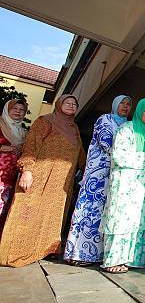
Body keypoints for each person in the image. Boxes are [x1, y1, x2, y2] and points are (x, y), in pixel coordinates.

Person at [0, 95, 85, 267]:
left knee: (53, 215)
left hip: (62, 181)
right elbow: (31, 146)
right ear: (59, 104)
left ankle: (46, 249)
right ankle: (15, 252)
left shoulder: (74, 128)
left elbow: (80, 152)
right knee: (29, 210)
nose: (71, 105)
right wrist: (27, 170)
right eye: (67, 102)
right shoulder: (45, 121)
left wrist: (87, 169)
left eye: (74, 104)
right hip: (40, 174)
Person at [64, 95, 132, 266]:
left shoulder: (129, 125)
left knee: (107, 212)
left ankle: (98, 254)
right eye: (122, 103)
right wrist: (130, 156)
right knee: (90, 210)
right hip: (98, 173)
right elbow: (106, 142)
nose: (125, 107)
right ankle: (78, 254)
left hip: (117, 174)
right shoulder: (105, 119)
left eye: (128, 104)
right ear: (115, 104)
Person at [100, 98, 145, 273]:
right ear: (139, 111)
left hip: (143, 182)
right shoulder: (126, 129)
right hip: (125, 181)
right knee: (121, 217)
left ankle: (133, 259)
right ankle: (113, 260)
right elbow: (118, 156)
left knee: (139, 218)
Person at [0, 99, 28, 236]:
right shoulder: (0, 124)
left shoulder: (24, 132)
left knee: (5, 207)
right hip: (0, 171)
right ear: (7, 109)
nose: (18, 111)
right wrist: (10, 148)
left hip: (12, 176)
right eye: (14, 108)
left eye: (21, 109)